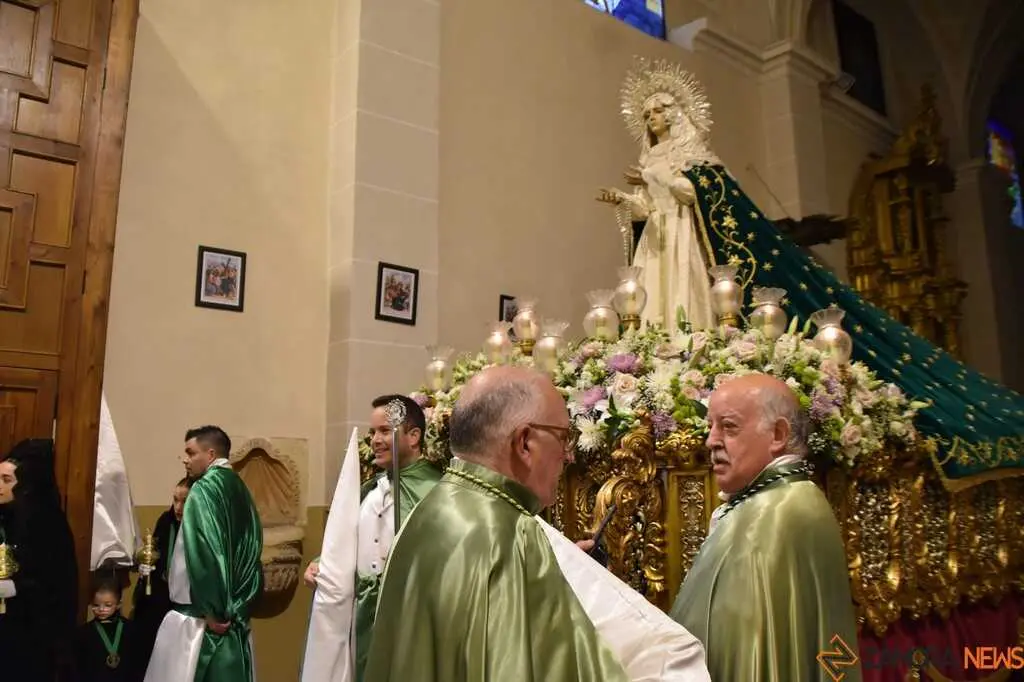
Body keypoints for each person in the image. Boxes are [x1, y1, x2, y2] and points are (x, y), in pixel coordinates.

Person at [364, 366, 711, 682]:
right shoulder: (513, 535)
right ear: (525, 442)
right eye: (562, 437)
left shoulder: (426, 512)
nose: (568, 454)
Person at [669, 374, 863, 680]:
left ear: (778, 434)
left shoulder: (774, 514)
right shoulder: (773, 501)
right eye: (711, 427)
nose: (711, 441)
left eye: (728, 427)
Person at [300, 394, 442, 682]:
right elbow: (351, 541)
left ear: (414, 436)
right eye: (372, 432)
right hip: (363, 617)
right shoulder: (370, 490)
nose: (375, 440)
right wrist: (321, 563)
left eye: (385, 431)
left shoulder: (437, 493)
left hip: (409, 618)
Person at [598, 61, 718, 332]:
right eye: (647, 114)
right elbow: (645, 209)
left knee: (680, 284)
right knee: (651, 290)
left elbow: (689, 193)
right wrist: (623, 200)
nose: (651, 117)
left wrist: (651, 178)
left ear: (672, 114)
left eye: (657, 111)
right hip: (655, 234)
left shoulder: (688, 150)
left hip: (680, 227)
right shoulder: (648, 156)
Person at [143, 426, 263, 682]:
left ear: (210, 454)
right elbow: (253, 549)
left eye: (190, 452)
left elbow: (206, 554)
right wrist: (239, 606)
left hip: (199, 625)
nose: (185, 459)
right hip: (236, 618)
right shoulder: (241, 490)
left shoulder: (203, 490)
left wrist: (213, 611)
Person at [0, 438, 79, 681]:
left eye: (6, 480)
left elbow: (57, 584)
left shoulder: (46, 524)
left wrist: (18, 587)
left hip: (28, 636)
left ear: (26, 485)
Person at [132, 477, 192, 671]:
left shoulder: (200, 527)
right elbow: (154, 551)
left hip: (185, 603)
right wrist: (145, 567)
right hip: (159, 597)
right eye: (175, 500)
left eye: (185, 501)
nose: (178, 507)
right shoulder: (165, 521)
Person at [76, 572, 142, 681]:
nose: (101, 609)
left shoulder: (131, 630)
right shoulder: (84, 633)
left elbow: (136, 665)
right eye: (96, 605)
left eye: (108, 605)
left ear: (118, 604)